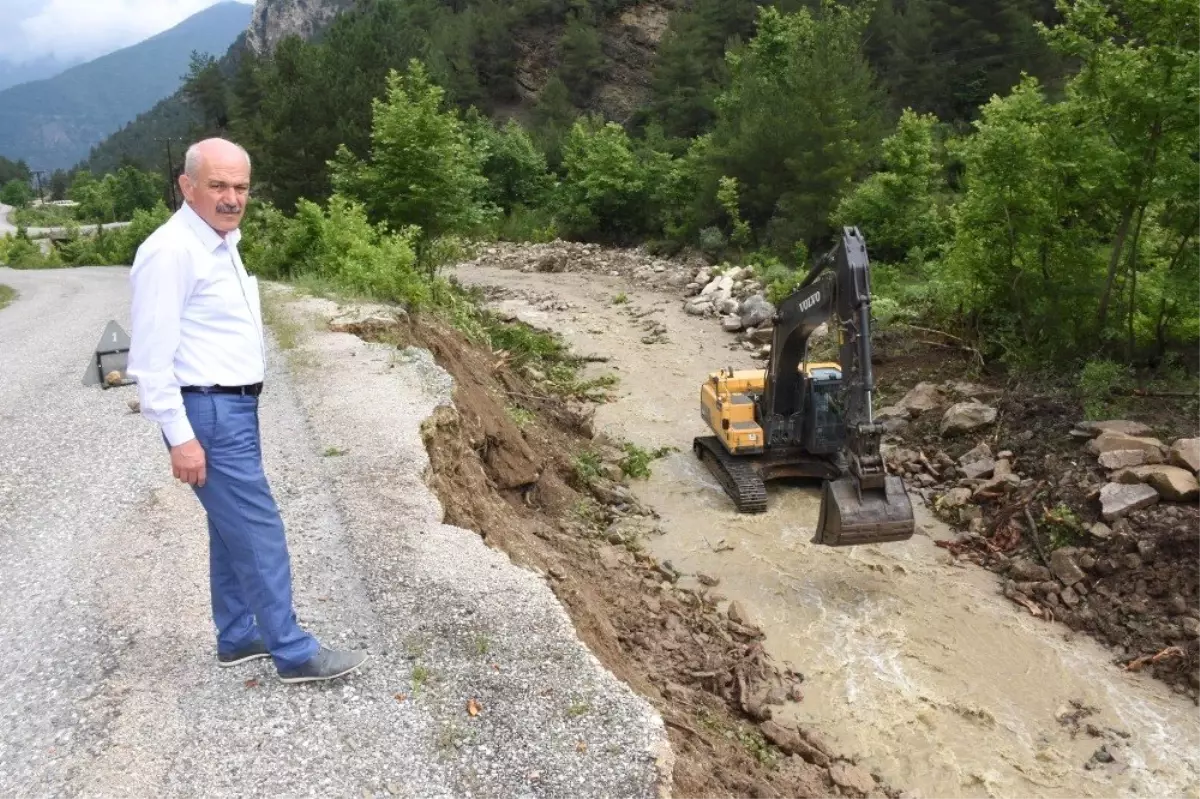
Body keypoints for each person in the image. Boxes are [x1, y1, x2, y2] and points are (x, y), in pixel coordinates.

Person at [126, 137, 368, 684]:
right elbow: (149, 360)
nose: (232, 197)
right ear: (186, 187)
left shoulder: (219, 240)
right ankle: (293, 651)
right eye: (218, 185)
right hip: (208, 413)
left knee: (229, 527)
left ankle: (238, 636)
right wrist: (179, 436)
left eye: (240, 187)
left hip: (233, 408)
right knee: (260, 530)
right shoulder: (172, 251)